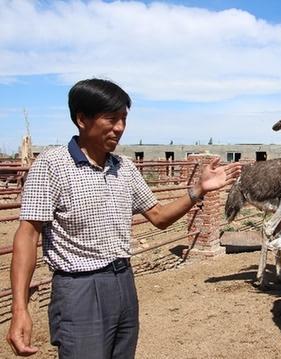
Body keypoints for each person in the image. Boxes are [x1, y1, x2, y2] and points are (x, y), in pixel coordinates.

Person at [6, 78, 241, 358]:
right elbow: (27, 234)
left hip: (123, 282)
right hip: (79, 289)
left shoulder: (124, 168)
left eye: (123, 119)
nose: (119, 128)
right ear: (82, 119)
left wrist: (197, 190)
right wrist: (19, 309)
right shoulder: (52, 165)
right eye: (111, 118)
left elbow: (159, 217)